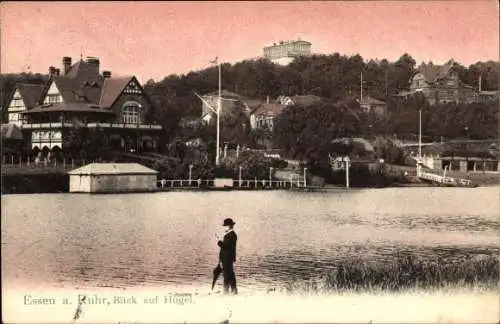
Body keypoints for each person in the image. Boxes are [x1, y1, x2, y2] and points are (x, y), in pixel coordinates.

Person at [216, 218, 238, 294]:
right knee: (230, 275)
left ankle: (226, 292)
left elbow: (225, 247)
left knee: (227, 275)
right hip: (228, 258)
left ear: (229, 226)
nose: (224, 227)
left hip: (227, 259)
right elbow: (226, 247)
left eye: (225, 226)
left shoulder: (230, 235)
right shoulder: (231, 235)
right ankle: (234, 291)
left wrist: (219, 242)